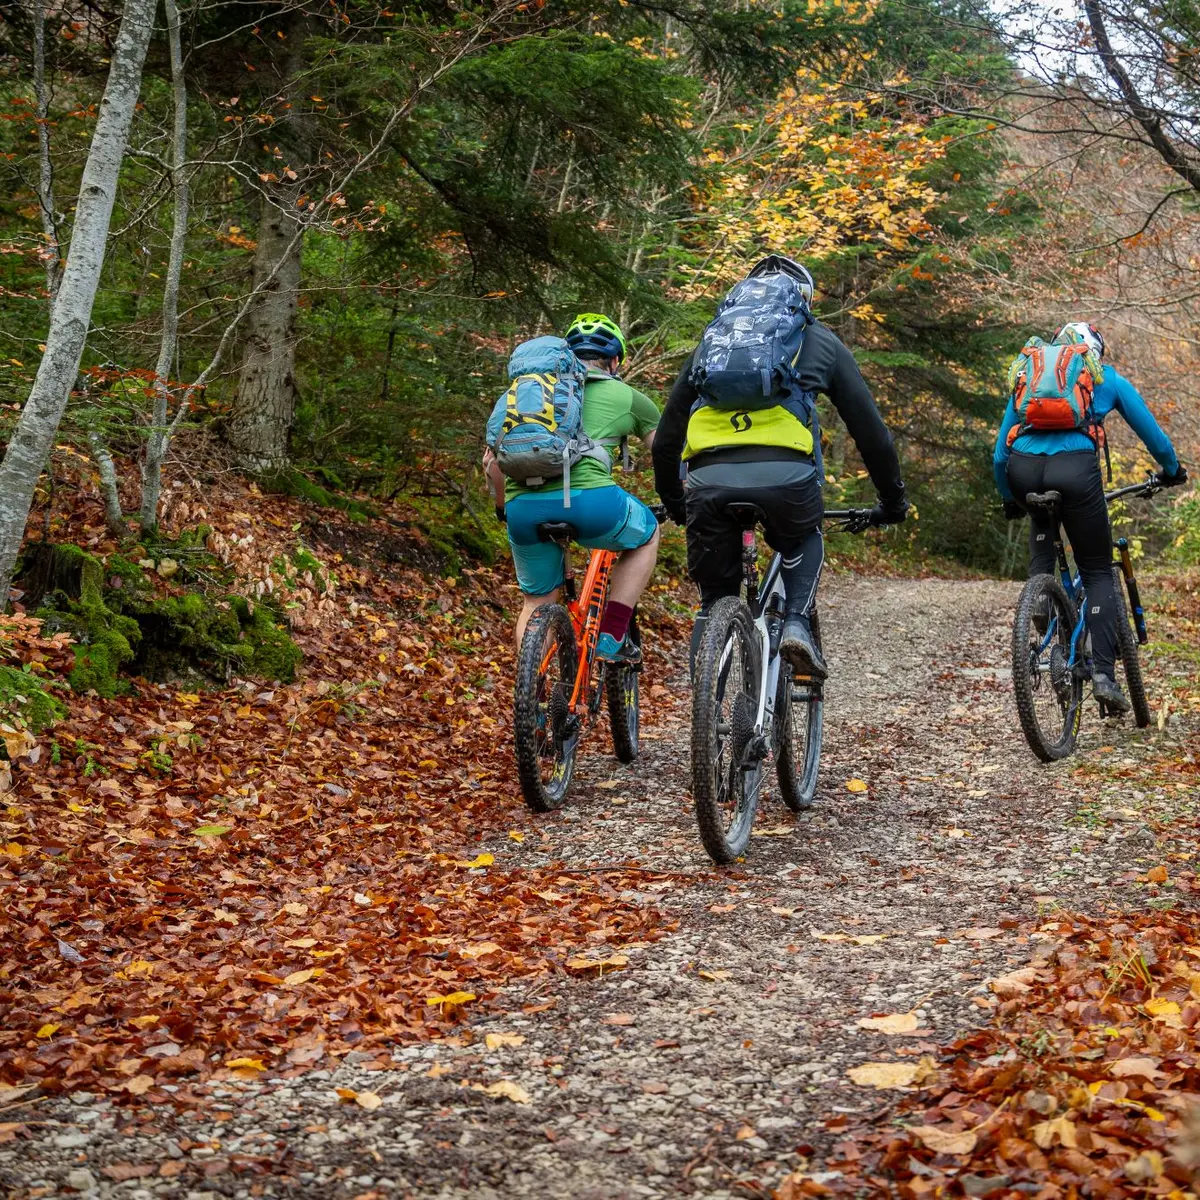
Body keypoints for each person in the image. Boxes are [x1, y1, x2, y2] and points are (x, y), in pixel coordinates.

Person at [652, 255, 908, 679]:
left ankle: (706, 694)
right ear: (804, 299)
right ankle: (796, 624)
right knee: (803, 537)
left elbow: (667, 437)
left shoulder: (714, 343)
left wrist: (676, 501)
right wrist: (892, 502)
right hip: (786, 477)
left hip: (707, 478)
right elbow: (872, 434)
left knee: (714, 601)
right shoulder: (819, 340)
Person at [993, 320, 1188, 711]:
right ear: (1092, 352)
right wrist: (1171, 469)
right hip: (1076, 471)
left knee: (1042, 539)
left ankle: (1042, 606)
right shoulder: (1105, 378)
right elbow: (1150, 432)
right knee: (1098, 570)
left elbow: (1000, 453)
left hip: (1024, 470)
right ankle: (1103, 675)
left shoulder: (1029, 375)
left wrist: (1009, 496)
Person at [485, 313, 661, 658]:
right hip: (592, 504)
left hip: (523, 510)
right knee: (648, 535)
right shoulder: (627, 396)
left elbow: (491, 465)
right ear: (614, 360)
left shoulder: (523, 396)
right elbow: (667, 454)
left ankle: (530, 686)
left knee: (535, 603)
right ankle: (611, 636)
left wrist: (503, 509)